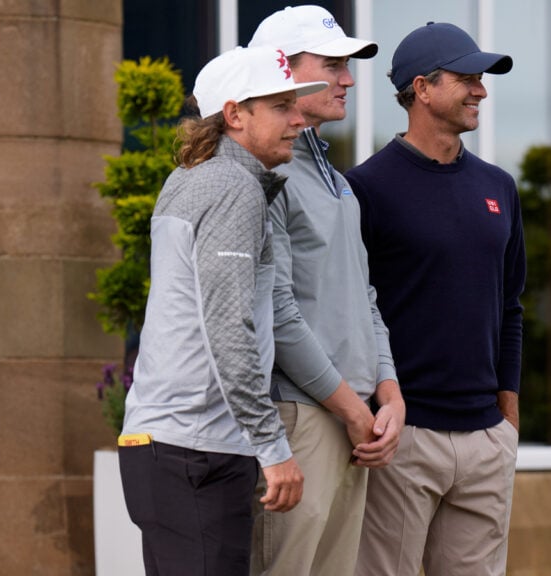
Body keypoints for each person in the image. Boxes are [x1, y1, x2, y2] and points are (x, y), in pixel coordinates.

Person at [117, 45, 327, 576]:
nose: (300, 119)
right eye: (281, 106)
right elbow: (228, 326)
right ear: (235, 114)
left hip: (173, 449)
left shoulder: (192, 178)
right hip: (194, 452)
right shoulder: (232, 187)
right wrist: (273, 447)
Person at [345, 22, 526, 576]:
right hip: (406, 438)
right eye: (467, 78)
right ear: (422, 88)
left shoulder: (499, 187)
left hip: (486, 442)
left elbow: (511, 307)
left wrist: (508, 422)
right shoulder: (363, 189)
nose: (481, 91)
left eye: (481, 79)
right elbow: (352, 312)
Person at [246, 6, 405, 576]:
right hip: (302, 416)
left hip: (353, 417)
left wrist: (388, 391)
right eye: (333, 64)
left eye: (347, 65)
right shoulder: (266, 173)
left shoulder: (337, 179)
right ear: (283, 69)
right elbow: (278, 312)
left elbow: (364, 294)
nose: (349, 78)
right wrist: (350, 408)